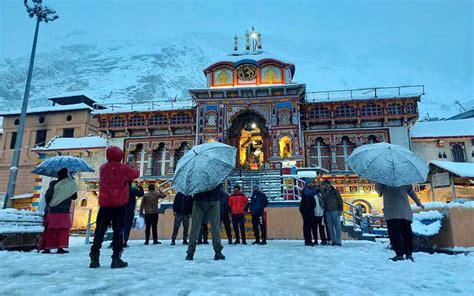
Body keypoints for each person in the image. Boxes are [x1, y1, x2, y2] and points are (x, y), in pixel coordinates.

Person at [90, 146, 139, 269]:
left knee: (99, 231)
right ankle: (116, 258)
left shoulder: (103, 168)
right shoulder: (123, 168)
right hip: (119, 204)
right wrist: (133, 165)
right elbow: (135, 174)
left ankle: (94, 257)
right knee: (118, 231)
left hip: (105, 204)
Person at [375, 183, 425, 262]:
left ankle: (399, 254)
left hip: (392, 212)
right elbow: (411, 192)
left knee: (395, 234)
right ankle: (409, 254)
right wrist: (418, 203)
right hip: (404, 212)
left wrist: (377, 183)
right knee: (406, 233)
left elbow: (378, 191)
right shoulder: (404, 181)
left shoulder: (383, 181)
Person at [38, 168, 78, 254]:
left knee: (50, 229)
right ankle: (60, 247)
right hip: (65, 210)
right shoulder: (71, 184)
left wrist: (49, 204)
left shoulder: (53, 183)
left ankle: (47, 248)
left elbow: (48, 195)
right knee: (62, 230)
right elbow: (74, 197)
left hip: (53, 209)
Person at [186, 184, 225, 261]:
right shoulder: (215, 174)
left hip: (199, 199)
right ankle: (218, 252)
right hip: (213, 199)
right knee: (215, 227)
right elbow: (220, 188)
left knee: (195, 228)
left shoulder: (196, 174)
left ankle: (190, 253)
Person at [321, 180, 343, 246]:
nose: (326, 185)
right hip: (327, 210)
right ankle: (333, 240)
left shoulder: (335, 191)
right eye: (325, 184)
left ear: (330, 184)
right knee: (330, 227)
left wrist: (340, 209)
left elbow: (340, 200)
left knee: (337, 226)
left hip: (335, 210)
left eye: (327, 184)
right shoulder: (323, 191)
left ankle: (338, 241)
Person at [123, 181, 144, 247]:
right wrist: (140, 187)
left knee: (120, 226)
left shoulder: (121, 189)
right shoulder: (133, 189)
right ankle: (125, 241)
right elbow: (141, 194)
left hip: (122, 210)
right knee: (127, 226)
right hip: (130, 210)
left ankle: (117, 241)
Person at [299, 179, 317, 246]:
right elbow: (310, 194)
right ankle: (308, 240)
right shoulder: (306, 190)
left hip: (309, 209)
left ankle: (309, 240)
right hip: (306, 210)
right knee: (307, 225)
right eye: (311, 183)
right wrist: (317, 190)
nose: (312, 184)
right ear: (307, 184)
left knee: (309, 225)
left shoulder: (309, 189)